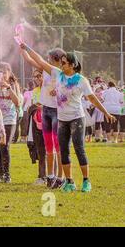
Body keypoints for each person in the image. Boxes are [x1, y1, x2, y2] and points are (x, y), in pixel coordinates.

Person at [20, 42, 116, 193]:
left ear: (71, 65)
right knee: (64, 151)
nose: (61, 65)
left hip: (77, 118)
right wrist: (26, 47)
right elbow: (39, 60)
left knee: (79, 149)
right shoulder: (58, 74)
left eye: (64, 63)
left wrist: (106, 113)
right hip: (62, 119)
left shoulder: (81, 80)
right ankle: (69, 181)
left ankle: (86, 181)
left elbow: (92, 99)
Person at [20, 47, 66, 189]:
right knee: (49, 147)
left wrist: (27, 46)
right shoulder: (47, 70)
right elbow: (30, 59)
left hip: (57, 112)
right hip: (46, 110)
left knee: (58, 147)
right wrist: (21, 48)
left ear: (56, 60)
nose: (47, 60)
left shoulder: (57, 71)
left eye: (49, 58)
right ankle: (50, 176)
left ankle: (60, 177)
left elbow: (38, 58)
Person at [0, 62, 21, 184]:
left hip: (9, 120)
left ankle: (7, 175)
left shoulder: (13, 85)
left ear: (9, 73)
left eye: (4, 72)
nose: (2, 75)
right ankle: (0, 174)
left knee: (5, 145)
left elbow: (17, 102)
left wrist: (8, 87)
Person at [26, 69, 47, 185]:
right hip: (37, 123)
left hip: (50, 122)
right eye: (34, 77)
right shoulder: (35, 90)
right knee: (40, 150)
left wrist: (41, 107)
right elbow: (33, 105)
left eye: (39, 76)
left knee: (50, 150)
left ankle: (51, 176)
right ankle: (41, 176)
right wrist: (34, 107)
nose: (37, 79)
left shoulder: (50, 89)